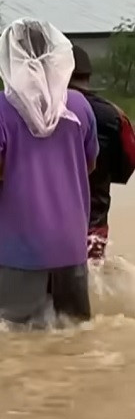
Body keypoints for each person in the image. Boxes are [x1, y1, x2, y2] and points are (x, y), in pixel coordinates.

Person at [0, 19, 98, 327]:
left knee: (14, 340)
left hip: (20, 251)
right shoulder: (78, 106)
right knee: (75, 337)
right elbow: (88, 166)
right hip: (71, 245)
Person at [69, 44, 135, 263]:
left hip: (50, 221)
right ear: (89, 75)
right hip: (95, 220)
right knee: (93, 279)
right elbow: (127, 164)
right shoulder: (115, 115)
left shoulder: (44, 111)